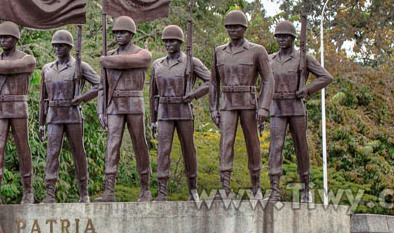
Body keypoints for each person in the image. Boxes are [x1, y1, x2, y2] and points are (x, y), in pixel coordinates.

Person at [210, 10, 275, 199]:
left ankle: (256, 186)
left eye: (236, 27)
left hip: (248, 103)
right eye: (229, 27)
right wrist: (213, 108)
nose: (232, 30)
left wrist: (264, 107)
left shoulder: (257, 50)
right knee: (225, 143)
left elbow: (268, 80)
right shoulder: (219, 51)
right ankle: (224, 187)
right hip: (227, 103)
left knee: (253, 144)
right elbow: (213, 83)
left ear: (244, 28)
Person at [267, 19, 332, 203]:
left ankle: (305, 189)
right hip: (277, 107)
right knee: (275, 147)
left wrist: (307, 90)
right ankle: (274, 189)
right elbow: (264, 83)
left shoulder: (304, 58)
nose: (281, 40)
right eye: (278, 36)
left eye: (285, 36)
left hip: (296, 107)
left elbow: (326, 77)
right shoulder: (269, 59)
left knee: (301, 147)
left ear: (293, 38)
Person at [149, 24, 211, 203]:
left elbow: (211, 81)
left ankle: (193, 189)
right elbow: (153, 95)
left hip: (184, 111)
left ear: (180, 42)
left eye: (172, 41)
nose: (168, 44)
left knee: (189, 150)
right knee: (163, 151)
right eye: (166, 41)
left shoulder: (191, 62)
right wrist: (153, 120)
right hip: (164, 112)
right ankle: (162, 191)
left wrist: (193, 94)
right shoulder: (157, 65)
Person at [38, 29, 101, 203]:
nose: (57, 49)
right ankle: (50, 193)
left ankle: (84, 192)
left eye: (61, 46)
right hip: (53, 116)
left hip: (73, 115)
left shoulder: (80, 66)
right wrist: (41, 123)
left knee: (78, 153)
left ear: (69, 47)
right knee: (52, 154)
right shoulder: (47, 69)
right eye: (55, 46)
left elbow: (99, 85)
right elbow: (42, 99)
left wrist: (81, 98)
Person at [0, 21, 36, 205]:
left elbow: (11, 68)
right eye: (0, 37)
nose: (3, 40)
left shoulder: (27, 59)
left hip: (18, 107)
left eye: (7, 37)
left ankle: (28, 190)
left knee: (23, 149)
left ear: (16, 39)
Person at [96, 15, 153, 202]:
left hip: (134, 104)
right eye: (116, 33)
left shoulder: (143, 54)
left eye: (122, 32)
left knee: (140, 145)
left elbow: (126, 62)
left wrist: (105, 61)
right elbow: (102, 87)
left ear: (131, 34)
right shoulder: (109, 56)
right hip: (114, 105)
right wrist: (100, 110)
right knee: (112, 146)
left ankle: (145, 189)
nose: (119, 36)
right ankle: (109, 190)